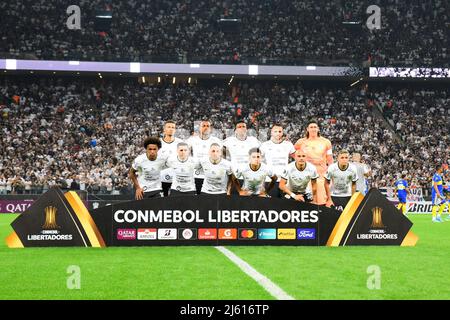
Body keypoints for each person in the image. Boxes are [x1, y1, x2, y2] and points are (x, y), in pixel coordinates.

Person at [295, 119, 333, 205]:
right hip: (305, 174)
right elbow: (294, 154)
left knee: (321, 200)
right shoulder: (300, 142)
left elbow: (330, 160)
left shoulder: (326, 142)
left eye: (315, 127)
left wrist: (330, 174)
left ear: (318, 129)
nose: (313, 129)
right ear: (307, 129)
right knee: (305, 199)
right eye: (311, 127)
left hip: (320, 175)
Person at [186, 119, 223, 195]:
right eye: (203, 126)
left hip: (211, 176)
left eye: (207, 126)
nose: (205, 127)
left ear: (210, 129)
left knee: (207, 201)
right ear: (199, 128)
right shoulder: (192, 140)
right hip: (195, 175)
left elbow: (221, 155)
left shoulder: (216, 141)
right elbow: (183, 151)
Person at [260, 124, 296, 198]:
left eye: (280, 131)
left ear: (282, 133)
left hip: (285, 181)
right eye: (275, 131)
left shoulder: (288, 145)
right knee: (271, 205)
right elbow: (257, 159)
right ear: (271, 133)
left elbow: (297, 158)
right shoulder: (265, 145)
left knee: (285, 205)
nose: (278, 133)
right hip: (270, 180)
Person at [159, 120, 183, 197]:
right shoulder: (157, 143)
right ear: (164, 129)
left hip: (176, 179)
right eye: (169, 127)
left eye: (173, 127)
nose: (171, 129)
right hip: (160, 179)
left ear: (175, 130)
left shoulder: (180, 143)